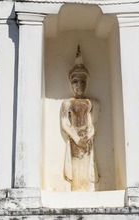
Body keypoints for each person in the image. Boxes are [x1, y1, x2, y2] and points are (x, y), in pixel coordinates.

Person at [60, 46, 99, 191]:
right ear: (71, 83)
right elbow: (65, 124)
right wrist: (76, 138)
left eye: (82, 81)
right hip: (75, 137)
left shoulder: (92, 103)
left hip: (87, 137)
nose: (79, 85)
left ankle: (87, 191)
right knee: (76, 166)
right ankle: (77, 190)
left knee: (87, 165)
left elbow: (95, 123)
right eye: (75, 81)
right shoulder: (67, 103)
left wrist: (87, 136)